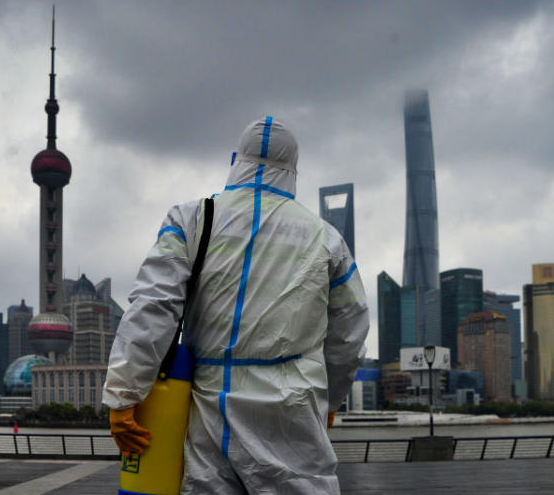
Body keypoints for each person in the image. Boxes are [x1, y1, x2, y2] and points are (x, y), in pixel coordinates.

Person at [103, 116, 369, 495]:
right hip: (292, 412)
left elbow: (152, 306)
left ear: (237, 160)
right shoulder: (326, 239)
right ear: (294, 170)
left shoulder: (192, 219)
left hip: (208, 412)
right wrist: (332, 400)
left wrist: (124, 393)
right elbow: (349, 334)